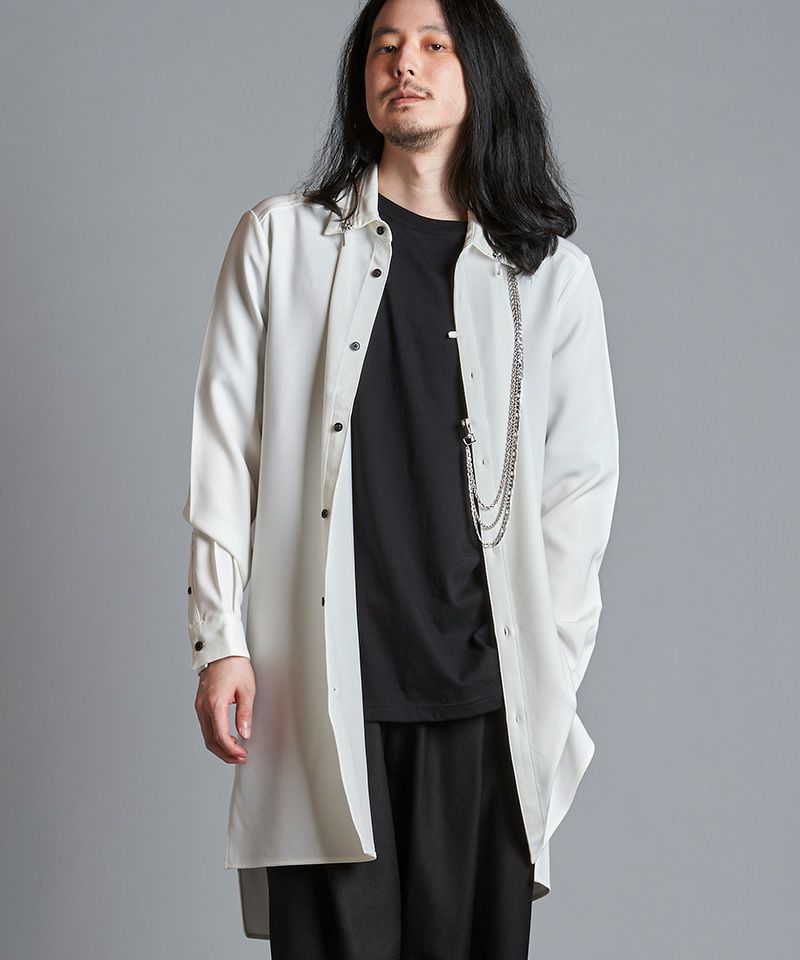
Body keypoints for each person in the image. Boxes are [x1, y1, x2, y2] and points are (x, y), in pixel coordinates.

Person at [181, 0, 619, 956]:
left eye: (431, 45)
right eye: (385, 46)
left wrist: (548, 676)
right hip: (323, 694)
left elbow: (579, 498)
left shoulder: (550, 280)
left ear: (481, 72)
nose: (404, 64)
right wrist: (221, 639)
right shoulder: (280, 244)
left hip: (486, 708)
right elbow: (224, 452)